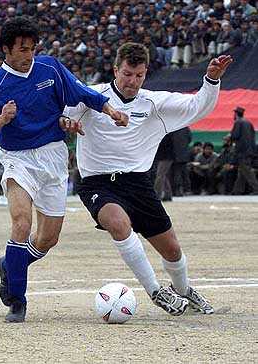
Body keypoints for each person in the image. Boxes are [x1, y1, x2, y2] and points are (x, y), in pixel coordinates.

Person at [0, 17, 128, 323]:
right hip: (18, 159)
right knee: (21, 223)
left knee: (48, 238)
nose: (29, 54)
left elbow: (83, 93)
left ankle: (10, 265)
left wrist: (112, 111)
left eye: (32, 48)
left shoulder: (50, 68)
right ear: (6, 49)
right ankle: (17, 301)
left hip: (54, 157)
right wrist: (2, 119)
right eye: (22, 48)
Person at [65, 42, 232, 316]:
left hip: (138, 184)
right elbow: (62, 113)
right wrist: (65, 122)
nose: (132, 81)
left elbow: (196, 107)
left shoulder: (153, 103)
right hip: (97, 183)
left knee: (172, 250)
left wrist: (211, 80)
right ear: (116, 69)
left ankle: (184, 290)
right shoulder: (91, 97)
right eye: (128, 73)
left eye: (139, 75)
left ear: (145, 74)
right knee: (118, 224)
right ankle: (155, 291)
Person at [230, 106, 258, 195]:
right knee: (242, 171)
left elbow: (235, 135)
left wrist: (229, 137)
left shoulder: (238, 122)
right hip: (250, 151)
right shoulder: (249, 123)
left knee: (247, 171)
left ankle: (256, 188)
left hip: (242, 151)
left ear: (236, 114)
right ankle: (237, 190)